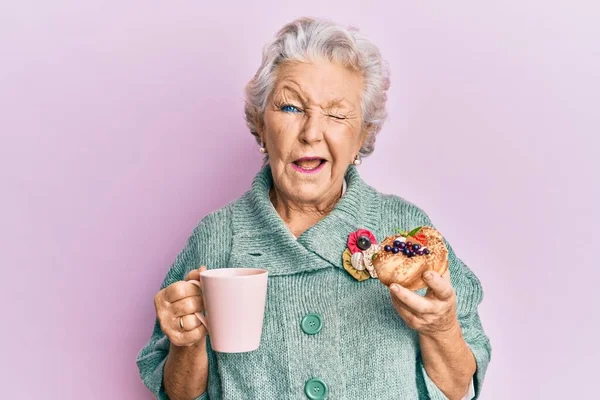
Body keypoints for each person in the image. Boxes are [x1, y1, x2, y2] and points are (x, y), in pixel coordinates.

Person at [136, 16, 491, 400]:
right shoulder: (217, 238)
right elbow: (179, 395)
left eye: (337, 114)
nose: (310, 132)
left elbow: (459, 388)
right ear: (260, 124)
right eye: (290, 107)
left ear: (363, 135)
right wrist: (184, 343)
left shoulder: (406, 231)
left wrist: (441, 329)